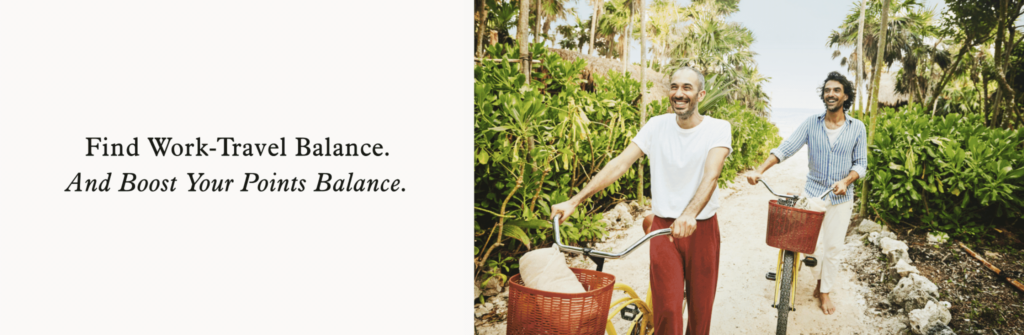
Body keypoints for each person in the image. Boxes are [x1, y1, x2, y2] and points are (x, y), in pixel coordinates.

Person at [551, 66, 731, 335]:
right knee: (668, 312)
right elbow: (620, 163)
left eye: (687, 88)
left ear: (700, 94)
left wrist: (690, 214)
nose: (678, 93)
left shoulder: (718, 128)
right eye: (674, 87)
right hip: (662, 228)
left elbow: (712, 175)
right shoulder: (657, 125)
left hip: (701, 228)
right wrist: (575, 201)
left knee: (700, 313)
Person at [746, 71, 867, 315]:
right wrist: (760, 170)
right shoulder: (812, 123)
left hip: (842, 197)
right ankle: (814, 276)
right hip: (813, 193)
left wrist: (847, 180)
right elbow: (787, 148)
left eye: (836, 90)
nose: (831, 94)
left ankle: (824, 291)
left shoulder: (857, 128)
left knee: (833, 248)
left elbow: (861, 163)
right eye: (827, 90)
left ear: (845, 96)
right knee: (805, 246)